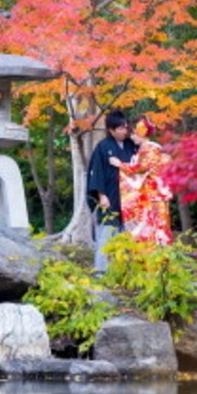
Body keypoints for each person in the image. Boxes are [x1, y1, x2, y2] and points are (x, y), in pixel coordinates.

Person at [86, 110, 137, 272]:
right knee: (107, 233)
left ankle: (121, 271)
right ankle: (101, 271)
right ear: (111, 130)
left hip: (130, 198)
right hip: (110, 196)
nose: (124, 131)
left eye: (125, 127)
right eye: (120, 128)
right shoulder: (102, 147)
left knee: (127, 234)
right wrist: (101, 195)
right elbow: (96, 172)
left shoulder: (131, 145)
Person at [110, 116, 173, 245]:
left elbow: (140, 169)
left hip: (154, 196)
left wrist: (119, 164)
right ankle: (150, 260)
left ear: (140, 133)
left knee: (155, 228)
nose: (131, 137)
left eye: (133, 134)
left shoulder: (150, 149)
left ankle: (156, 261)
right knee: (149, 227)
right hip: (150, 195)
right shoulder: (146, 149)